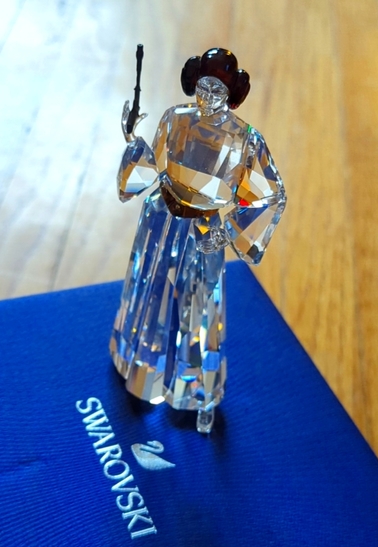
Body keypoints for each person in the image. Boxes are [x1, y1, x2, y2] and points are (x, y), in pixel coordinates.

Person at [110, 48, 286, 433]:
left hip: (203, 231)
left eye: (217, 89)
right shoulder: (175, 118)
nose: (208, 95)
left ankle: (194, 392)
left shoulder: (245, 140)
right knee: (151, 292)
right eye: (203, 86)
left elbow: (269, 196)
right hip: (160, 219)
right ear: (193, 84)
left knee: (196, 308)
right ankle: (138, 366)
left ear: (232, 93)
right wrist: (133, 138)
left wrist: (226, 231)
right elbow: (152, 170)